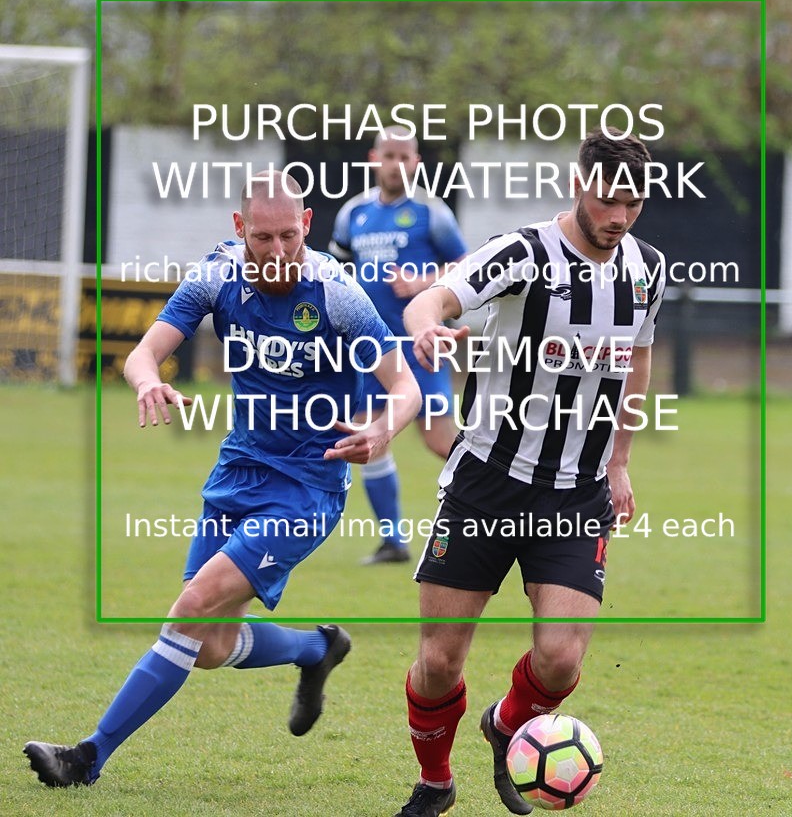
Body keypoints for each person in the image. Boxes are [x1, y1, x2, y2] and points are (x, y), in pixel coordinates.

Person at [24, 172, 420, 789]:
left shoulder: (337, 293)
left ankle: (86, 757)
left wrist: (383, 430)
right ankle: (316, 649)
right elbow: (140, 352)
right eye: (264, 237)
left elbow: (406, 387)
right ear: (240, 230)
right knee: (209, 645)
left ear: (307, 225)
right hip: (237, 472)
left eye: (290, 235)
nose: (279, 250)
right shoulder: (216, 276)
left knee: (190, 610)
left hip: (307, 489)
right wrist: (147, 381)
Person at [393, 129, 667, 816]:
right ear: (580, 186)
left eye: (633, 205)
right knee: (438, 664)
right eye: (608, 201)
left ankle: (505, 724)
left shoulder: (647, 268)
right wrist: (426, 324)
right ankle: (435, 782)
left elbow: (635, 362)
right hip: (486, 482)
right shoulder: (523, 253)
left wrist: (622, 461)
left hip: (577, 492)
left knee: (561, 662)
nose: (619, 218)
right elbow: (432, 298)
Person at [329, 127, 467, 565]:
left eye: (403, 157)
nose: (395, 165)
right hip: (371, 349)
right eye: (388, 156)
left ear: (416, 162)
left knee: (439, 439)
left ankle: (498, 513)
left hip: (420, 343)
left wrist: (423, 283)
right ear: (374, 159)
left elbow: (465, 265)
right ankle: (393, 541)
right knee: (368, 434)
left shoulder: (432, 212)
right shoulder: (354, 213)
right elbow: (337, 270)